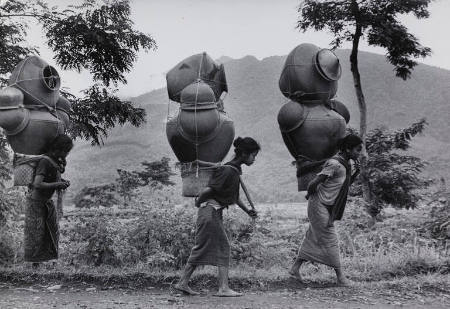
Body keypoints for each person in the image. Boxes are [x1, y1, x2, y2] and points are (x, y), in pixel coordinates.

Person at [174, 137, 260, 297]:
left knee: (201, 247)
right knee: (223, 246)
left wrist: (248, 211)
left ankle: (182, 283)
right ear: (244, 154)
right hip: (210, 212)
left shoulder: (233, 170)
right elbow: (209, 190)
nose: (254, 159)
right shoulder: (228, 170)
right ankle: (223, 288)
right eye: (253, 155)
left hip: (212, 212)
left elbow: (234, 197)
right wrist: (198, 201)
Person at [289, 134, 362, 286]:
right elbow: (314, 182)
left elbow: (344, 186)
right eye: (357, 150)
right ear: (348, 149)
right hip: (319, 204)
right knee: (331, 238)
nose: (359, 153)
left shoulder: (345, 165)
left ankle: (295, 269)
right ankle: (341, 278)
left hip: (326, 205)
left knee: (312, 236)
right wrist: (310, 195)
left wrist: (356, 172)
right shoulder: (334, 163)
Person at [24, 134, 73, 267]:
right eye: (66, 151)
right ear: (60, 149)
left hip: (46, 202)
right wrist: (58, 185)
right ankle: (35, 267)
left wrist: (62, 181)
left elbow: (51, 179)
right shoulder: (45, 161)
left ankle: (48, 263)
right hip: (36, 203)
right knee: (36, 234)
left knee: (52, 231)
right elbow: (38, 184)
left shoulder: (54, 162)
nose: (67, 154)